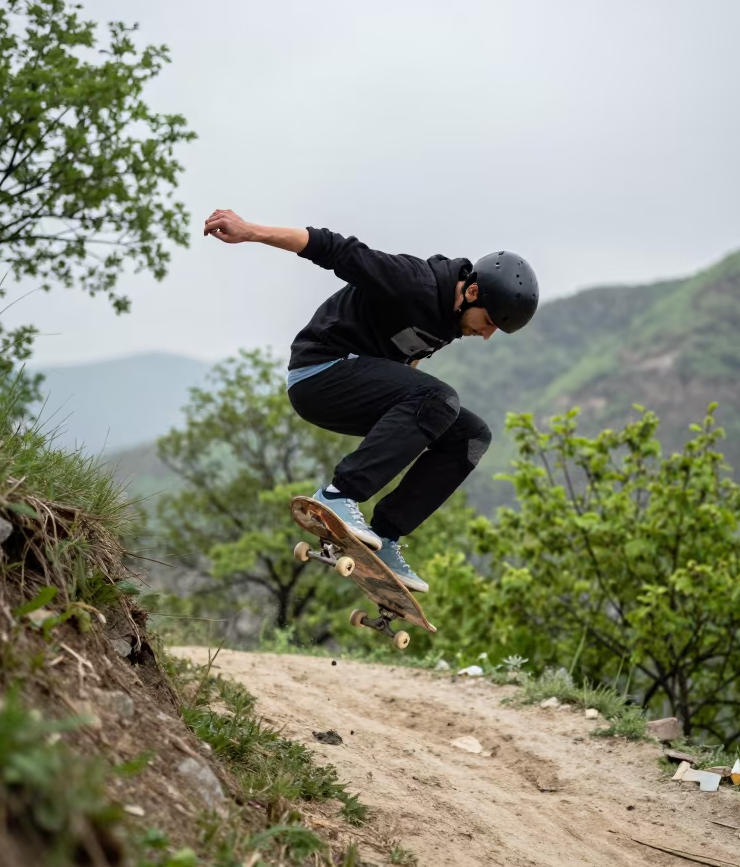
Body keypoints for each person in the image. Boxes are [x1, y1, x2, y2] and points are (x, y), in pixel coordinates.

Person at [204, 210, 539, 592]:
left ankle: (386, 536)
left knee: (470, 434)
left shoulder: (451, 320)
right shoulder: (414, 282)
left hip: (353, 383)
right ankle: (338, 495)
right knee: (439, 397)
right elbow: (334, 249)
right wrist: (250, 231)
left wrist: (403, 433)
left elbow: (403, 367)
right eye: (490, 322)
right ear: (473, 292)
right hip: (319, 371)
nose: (486, 335)